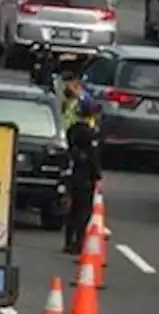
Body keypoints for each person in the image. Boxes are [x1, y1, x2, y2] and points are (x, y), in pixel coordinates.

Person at [63, 99, 102, 254]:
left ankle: (68, 241)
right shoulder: (90, 134)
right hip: (85, 175)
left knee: (72, 209)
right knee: (83, 210)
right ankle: (78, 243)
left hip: (72, 173)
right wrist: (97, 174)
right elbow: (93, 157)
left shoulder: (71, 130)